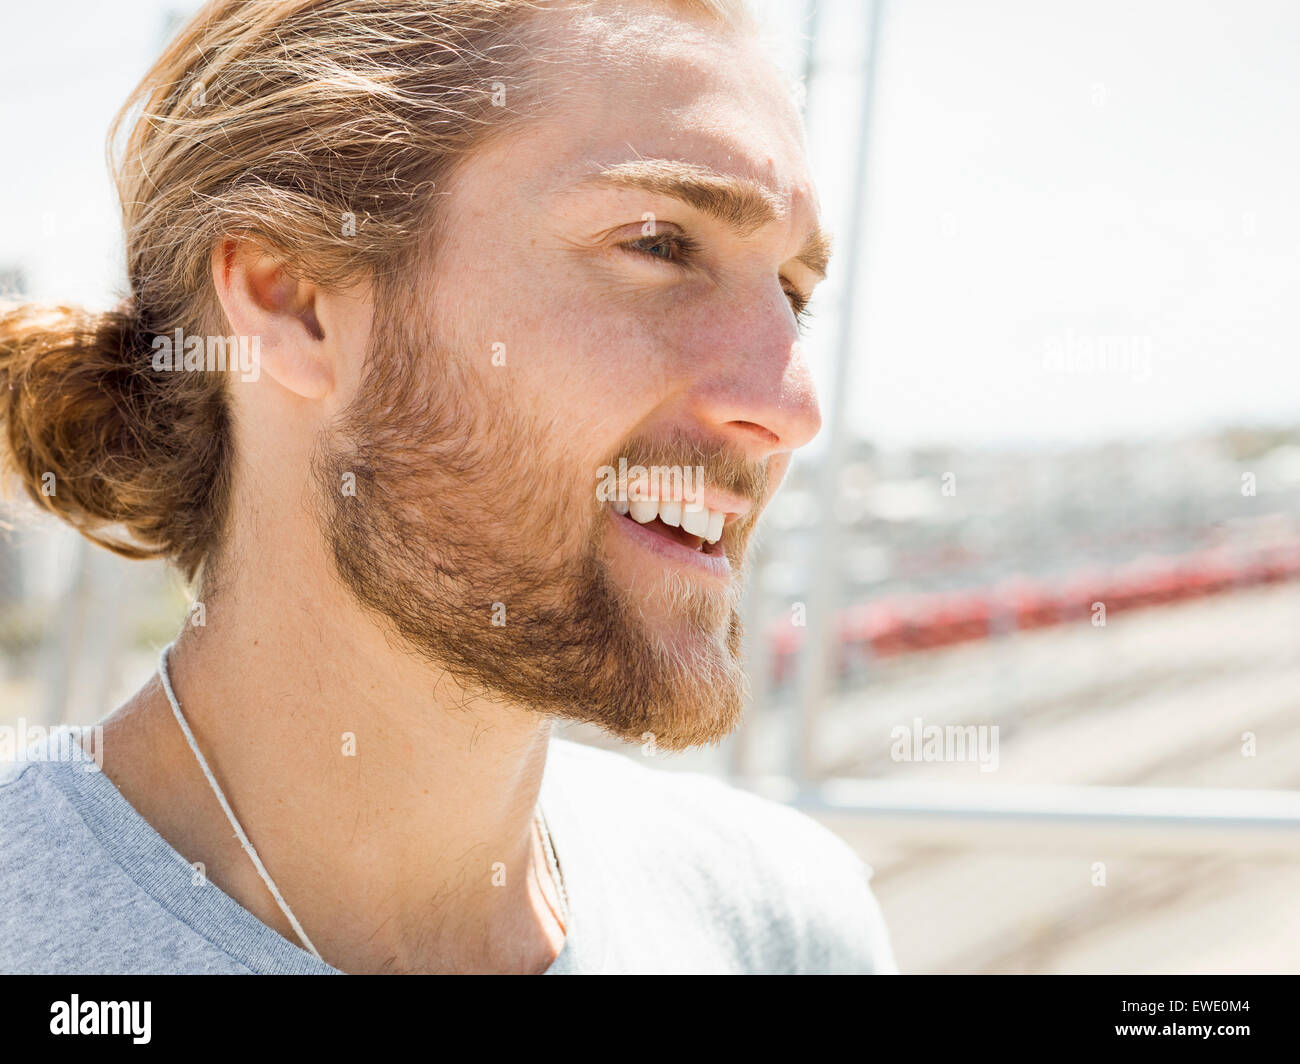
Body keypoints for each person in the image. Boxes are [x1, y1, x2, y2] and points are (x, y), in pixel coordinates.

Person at [0, 0, 896, 975]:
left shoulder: (783, 923)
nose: (792, 406)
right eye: (657, 243)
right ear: (291, 299)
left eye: (793, 296)